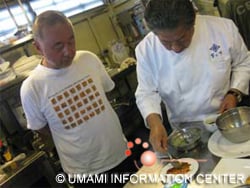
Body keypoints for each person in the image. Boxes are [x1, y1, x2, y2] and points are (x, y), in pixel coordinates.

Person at [20, 10, 137, 187]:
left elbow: (105, 95)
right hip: (85, 173)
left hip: (120, 153)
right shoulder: (32, 87)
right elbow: (42, 129)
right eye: (58, 46)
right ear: (38, 47)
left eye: (71, 40)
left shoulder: (88, 59)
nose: (68, 51)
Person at [135, 0, 250, 153]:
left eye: (181, 39)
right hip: (185, 133)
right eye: (166, 43)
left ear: (194, 22)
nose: (175, 48)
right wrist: (155, 123)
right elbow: (146, 92)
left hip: (227, 119)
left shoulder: (223, 29)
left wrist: (234, 93)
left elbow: (243, 62)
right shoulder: (146, 49)